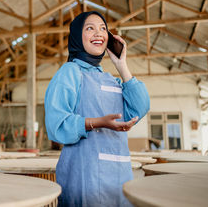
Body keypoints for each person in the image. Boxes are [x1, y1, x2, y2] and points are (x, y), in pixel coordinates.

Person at [45, 11, 150, 206]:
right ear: (77, 35)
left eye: (103, 29)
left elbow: (140, 108)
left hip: (120, 175)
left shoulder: (111, 79)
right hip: (85, 175)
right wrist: (97, 123)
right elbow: (56, 125)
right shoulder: (70, 72)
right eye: (90, 28)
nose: (99, 33)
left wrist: (122, 65)